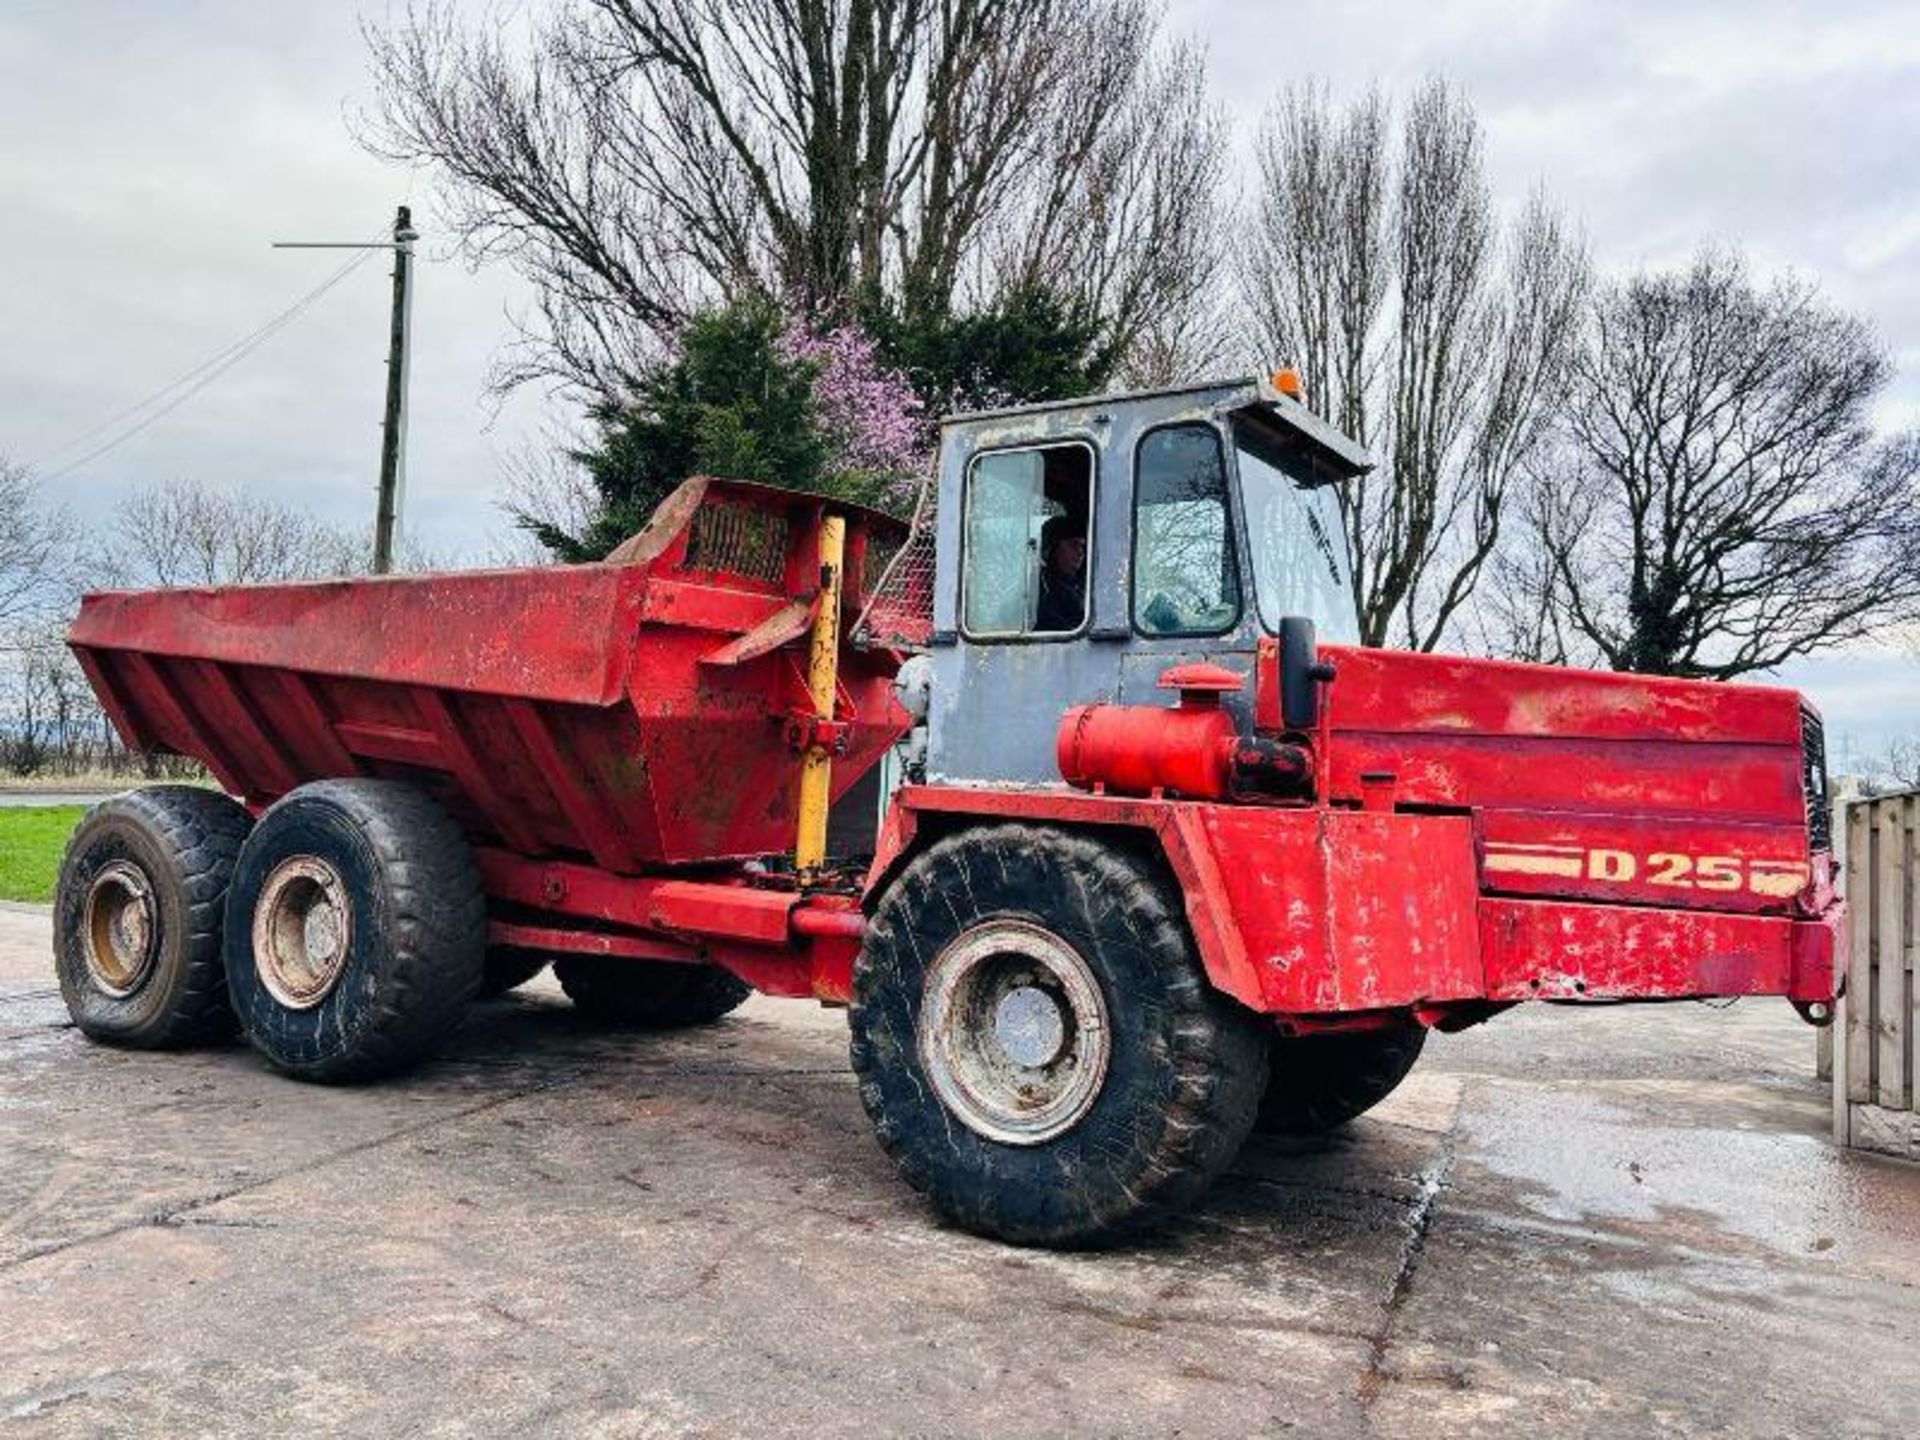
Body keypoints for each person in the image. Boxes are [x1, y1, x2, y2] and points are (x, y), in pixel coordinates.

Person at [1034, 515, 1087, 632]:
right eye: (1073, 545)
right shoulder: (1040, 587)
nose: (1080, 552)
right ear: (1052, 548)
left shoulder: (1086, 585)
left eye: (1082, 546)